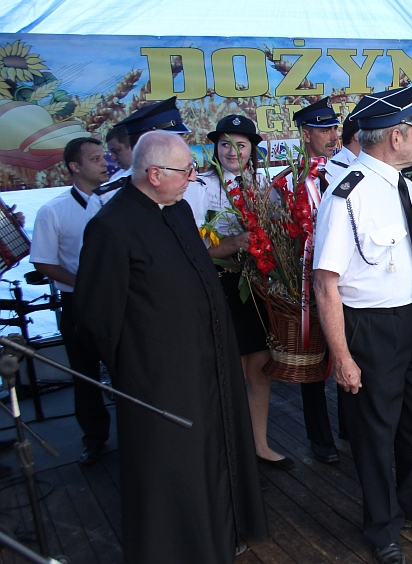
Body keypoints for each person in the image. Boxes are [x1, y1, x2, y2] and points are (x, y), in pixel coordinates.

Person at [75, 131, 267, 563]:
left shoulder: (178, 209)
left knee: (217, 450)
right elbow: (96, 317)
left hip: (209, 360)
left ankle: (226, 531)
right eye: (186, 170)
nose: (193, 178)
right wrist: (139, 364)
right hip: (159, 374)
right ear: (154, 174)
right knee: (176, 464)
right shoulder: (111, 226)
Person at [313, 86, 412, 564]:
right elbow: (325, 284)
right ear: (396, 137)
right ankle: (382, 527)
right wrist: (342, 356)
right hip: (372, 329)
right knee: (375, 434)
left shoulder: (407, 187)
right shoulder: (345, 196)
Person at [184, 114, 294, 470]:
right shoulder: (198, 188)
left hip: (256, 287)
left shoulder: (262, 186)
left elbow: (280, 232)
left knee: (259, 369)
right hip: (218, 287)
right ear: (215, 148)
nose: (233, 152)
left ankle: (259, 445)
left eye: (241, 145)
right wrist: (232, 244)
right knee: (227, 373)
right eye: (225, 144)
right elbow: (190, 248)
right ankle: (227, 452)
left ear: (252, 150)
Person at [30, 137, 111, 465]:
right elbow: (43, 260)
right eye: (95, 159)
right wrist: (85, 285)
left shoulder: (117, 201)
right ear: (75, 167)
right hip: (78, 302)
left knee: (128, 369)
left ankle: (138, 433)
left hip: (119, 300)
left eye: (105, 156)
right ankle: (94, 437)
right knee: (85, 374)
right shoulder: (53, 210)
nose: (104, 163)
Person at [291, 98, 341, 463]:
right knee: (313, 363)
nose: (332, 135)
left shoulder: (346, 172)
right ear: (306, 134)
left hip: (347, 282)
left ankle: (352, 428)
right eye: (324, 130)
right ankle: (320, 438)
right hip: (310, 284)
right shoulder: (287, 183)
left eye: (334, 128)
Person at [86, 97, 190, 218]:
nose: (182, 145)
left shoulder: (197, 186)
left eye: (181, 138)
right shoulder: (106, 198)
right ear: (143, 146)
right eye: (171, 141)